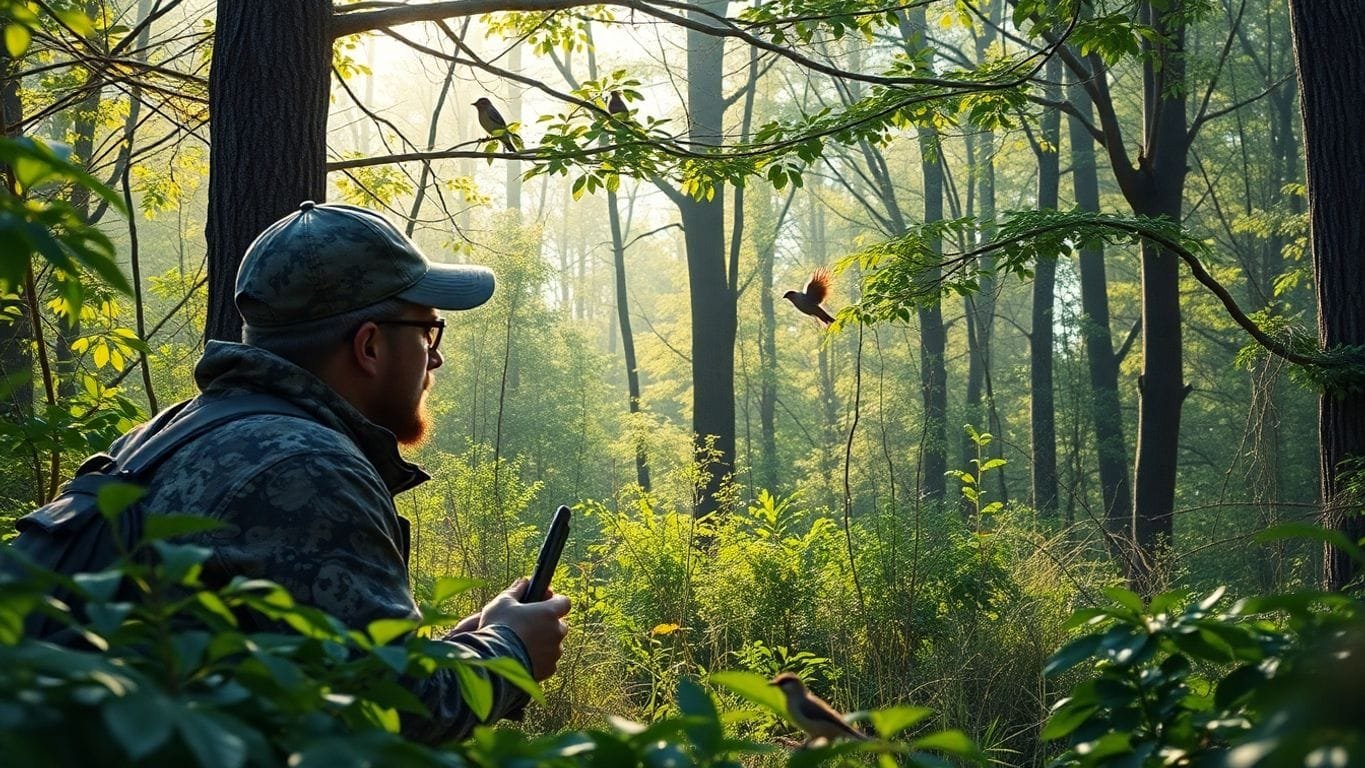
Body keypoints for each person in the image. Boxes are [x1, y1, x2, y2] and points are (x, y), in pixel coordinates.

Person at [115, 200, 570, 743]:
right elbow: (389, 719)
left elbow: (330, 681)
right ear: (370, 345)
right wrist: (511, 651)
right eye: (428, 332)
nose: (435, 359)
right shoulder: (308, 469)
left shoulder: (170, 435)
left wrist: (471, 640)